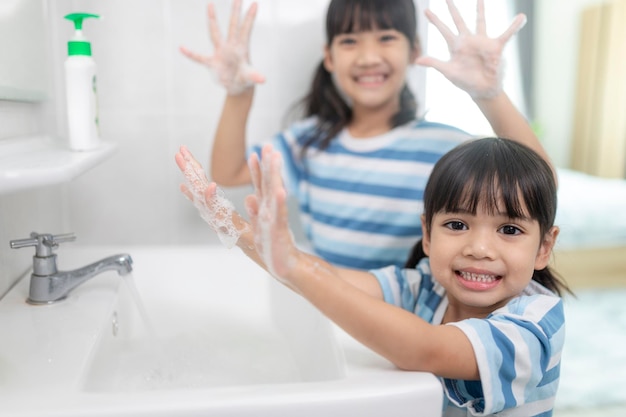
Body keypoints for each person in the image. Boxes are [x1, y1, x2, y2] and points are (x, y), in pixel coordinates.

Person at [174, 137, 569, 416]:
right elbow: (333, 281)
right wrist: (243, 234)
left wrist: (294, 263)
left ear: (544, 248)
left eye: (510, 230)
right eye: (457, 224)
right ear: (427, 234)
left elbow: (425, 349)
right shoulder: (423, 288)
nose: (480, 248)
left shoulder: (535, 325)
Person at [180, 0, 551, 270]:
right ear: (329, 57)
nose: (368, 56)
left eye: (386, 37)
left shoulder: (444, 147)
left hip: (407, 323)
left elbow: (539, 185)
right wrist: (238, 94)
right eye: (350, 41)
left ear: (414, 51)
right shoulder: (308, 143)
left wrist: (489, 95)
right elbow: (228, 172)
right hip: (332, 313)